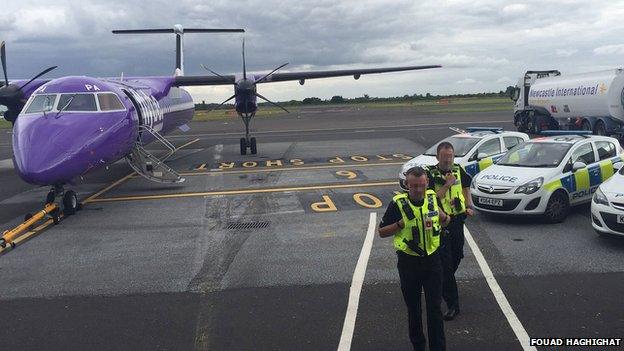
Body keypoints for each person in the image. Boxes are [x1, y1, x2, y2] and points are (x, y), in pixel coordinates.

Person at [379, 166, 450, 351]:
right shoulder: (398, 203)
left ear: (426, 183)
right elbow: (382, 232)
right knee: (414, 309)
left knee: (435, 308)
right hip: (409, 263)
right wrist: (399, 224)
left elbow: (445, 220)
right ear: (407, 185)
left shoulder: (433, 199)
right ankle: (419, 346)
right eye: (414, 186)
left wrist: (445, 218)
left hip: (433, 261)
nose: (418, 190)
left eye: (421, 185)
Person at [426, 141, 474, 321]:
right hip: (442, 222)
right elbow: (430, 198)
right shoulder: (430, 174)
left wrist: (469, 205)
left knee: (457, 257)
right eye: (445, 157)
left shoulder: (458, 169)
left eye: (451, 156)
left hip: (458, 220)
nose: (448, 160)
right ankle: (453, 305)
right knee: (445, 265)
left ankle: (441, 283)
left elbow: (466, 186)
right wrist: (447, 185)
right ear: (438, 157)